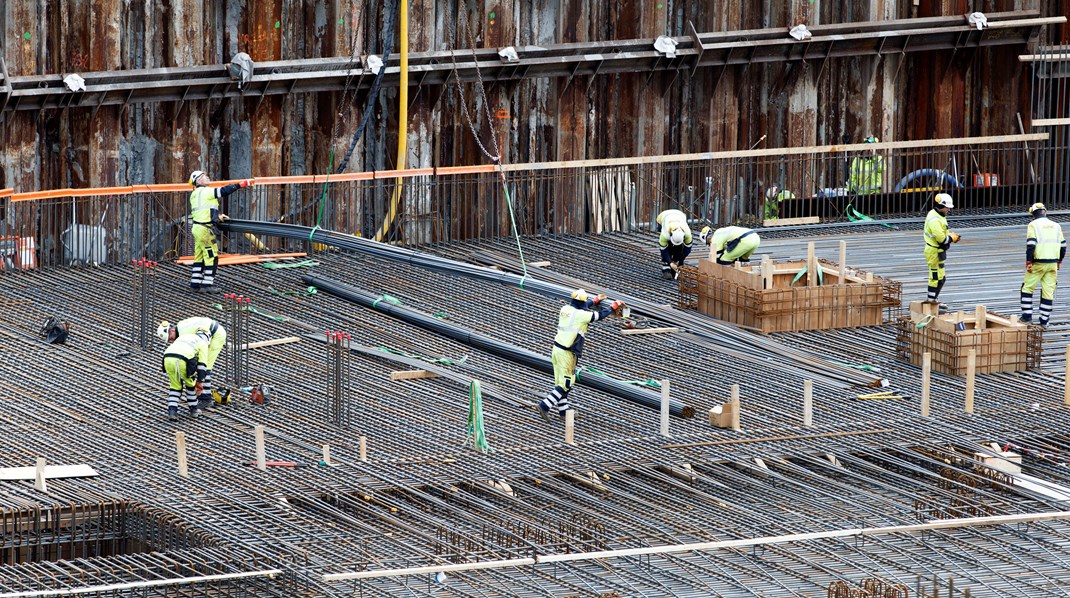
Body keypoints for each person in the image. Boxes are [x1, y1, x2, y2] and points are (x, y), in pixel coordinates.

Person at [539, 289, 623, 422]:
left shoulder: (565, 308)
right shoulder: (581, 315)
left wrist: (594, 300)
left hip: (556, 349)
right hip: (567, 353)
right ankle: (545, 405)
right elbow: (598, 316)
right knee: (566, 384)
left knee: (560, 384)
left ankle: (564, 412)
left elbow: (581, 307)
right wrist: (612, 307)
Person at [188, 170, 253, 293]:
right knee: (211, 256)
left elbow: (204, 210)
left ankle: (195, 284)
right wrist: (241, 184)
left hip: (197, 228)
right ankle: (207, 285)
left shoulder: (194, 194)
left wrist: (217, 215)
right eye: (204, 176)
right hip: (205, 230)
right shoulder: (206, 191)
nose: (207, 177)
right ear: (199, 180)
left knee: (199, 256)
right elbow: (223, 191)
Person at [158, 317, 226, 407]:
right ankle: (202, 395)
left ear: (172, 330)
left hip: (216, 335)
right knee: (201, 364)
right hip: (210, 332)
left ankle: (206, 398)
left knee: (206, 366)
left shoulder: (183, 335)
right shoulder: (181, 326)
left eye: (171, 338)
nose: (172, 341)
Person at [1021, 202, 1066, 328]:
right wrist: (1059, 261)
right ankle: (1044, 321)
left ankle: (1027, 317)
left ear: (1033, 215)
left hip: (1038, 262)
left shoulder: (1033, 225)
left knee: (1027, 288)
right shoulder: (1056, 225)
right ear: (1045, 212)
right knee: (1048, 292)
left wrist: (1028, 261)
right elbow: (1063, 246)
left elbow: (1031, 244)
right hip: (1052, 263)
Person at [161, 328, 212, 420]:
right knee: (190, 384)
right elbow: (202, 365)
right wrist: (200, 381)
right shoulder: (202, 343)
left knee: (175, 385)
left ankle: (172, 411)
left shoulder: (185, 336)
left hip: (167, 357)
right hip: (183, 359)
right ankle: (193, 409)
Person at [923, 193, 960, 307]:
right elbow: (941, 239)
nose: (948, 209)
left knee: (941, 278)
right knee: (935, 277)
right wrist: (951, 238)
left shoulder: (938, 215)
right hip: (934, 252)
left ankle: (934, 299)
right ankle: (931, 301)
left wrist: (949, 235)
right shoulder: (935, 219)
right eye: (947, 207)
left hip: (938, 251)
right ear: (941, 206)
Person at [655, 209, 693, 279]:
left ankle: (677, 266)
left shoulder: (687, 234)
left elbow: (687, 249)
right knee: (668, 246)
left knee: (679, 248)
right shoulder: (665, 234)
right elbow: (663, 250)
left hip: (680, 215)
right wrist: (670, 262)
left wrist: (679, 260)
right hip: (663, 216)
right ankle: (666, 268)